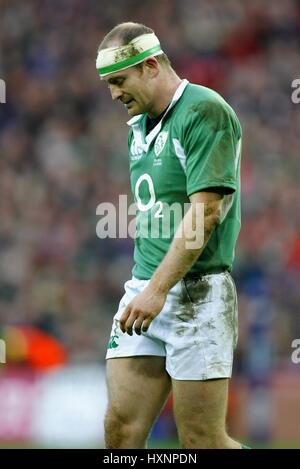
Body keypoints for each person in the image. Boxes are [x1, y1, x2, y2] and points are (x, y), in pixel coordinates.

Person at [96, 22, 245, 449]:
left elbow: (208, 209)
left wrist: (159, 289)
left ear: (150, 66)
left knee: (201, 441)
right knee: (120, 432)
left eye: (119, 81)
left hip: (198, 294)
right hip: (144, 289)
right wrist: (147, 287)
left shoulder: (204, 110)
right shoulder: (138, 126)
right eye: (108, 84)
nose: (113, 95)